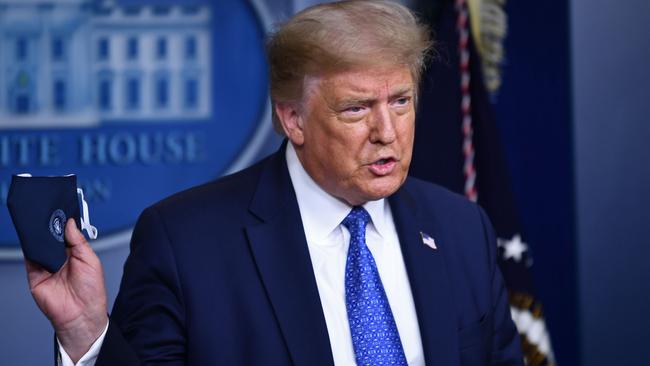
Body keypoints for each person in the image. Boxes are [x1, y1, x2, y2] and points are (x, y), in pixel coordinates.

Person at [26, 1, 523, 365]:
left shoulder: (460, 228)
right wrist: (86, 334)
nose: (387, 133)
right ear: (293, 119)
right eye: (356, 108)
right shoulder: (185, 242)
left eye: (400, 101)